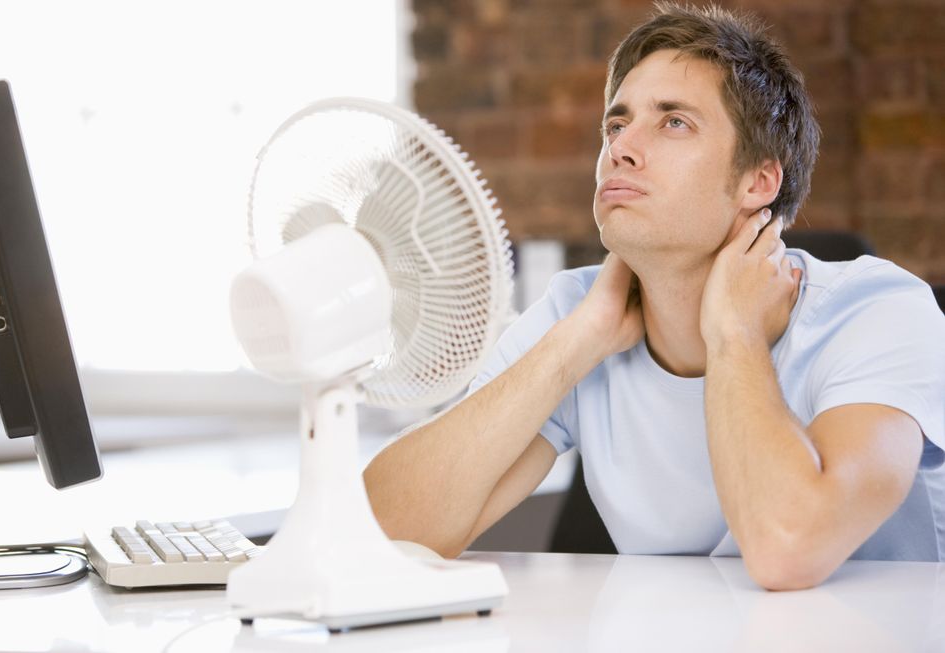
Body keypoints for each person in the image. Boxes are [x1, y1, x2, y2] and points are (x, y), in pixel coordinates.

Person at [363, 2, 945, 590]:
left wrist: (735, 334)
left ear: (758, 182)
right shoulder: (579, 313)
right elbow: (379, 536)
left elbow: (788, 549)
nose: (621, 148)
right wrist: (574, 346)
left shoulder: (877, 309)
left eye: (674, 123)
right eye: (616, 125)